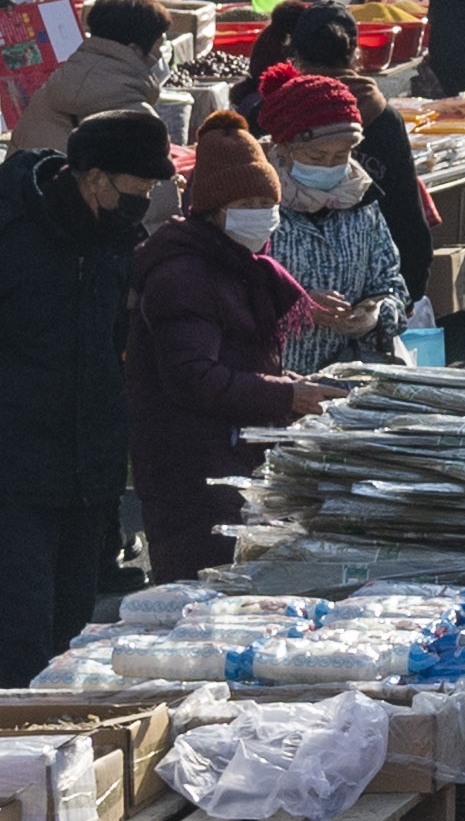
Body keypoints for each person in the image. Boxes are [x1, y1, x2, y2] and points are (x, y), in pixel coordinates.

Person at [0, 106, 170, 679]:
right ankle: (16, 725)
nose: (146, 199)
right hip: (7, 453)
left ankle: (63, 726)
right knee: (23, 624)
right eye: (139, 186)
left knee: (72, 625)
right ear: (95, 177)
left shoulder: (116, 237)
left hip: (89, 455)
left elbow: (113, 338)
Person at [126, 107, 330, 581]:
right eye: (248, 202)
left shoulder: (240, 265)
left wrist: (290, 385)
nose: (262, 213)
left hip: (233, 453)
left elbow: (239, 359)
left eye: (267, 201)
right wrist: (287, 395)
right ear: (214, 211)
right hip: (193, 467)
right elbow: (193, 377)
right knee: (204, 587)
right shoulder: (183, 274)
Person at [246, 65, 411, 359]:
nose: (328, 166)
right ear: (284, 148)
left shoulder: (361, 201)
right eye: (316, 156)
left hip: (351, 372)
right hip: (275, 374)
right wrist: (296, 306)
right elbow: (229, 295)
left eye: (341, 156)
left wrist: (375, 315)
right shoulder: (255, 203)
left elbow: (392, 285)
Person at [10, 0, 175, 155]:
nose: (160, 55)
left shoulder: (42, 100)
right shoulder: (143, 123)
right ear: (134, 50)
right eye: (158, 46)